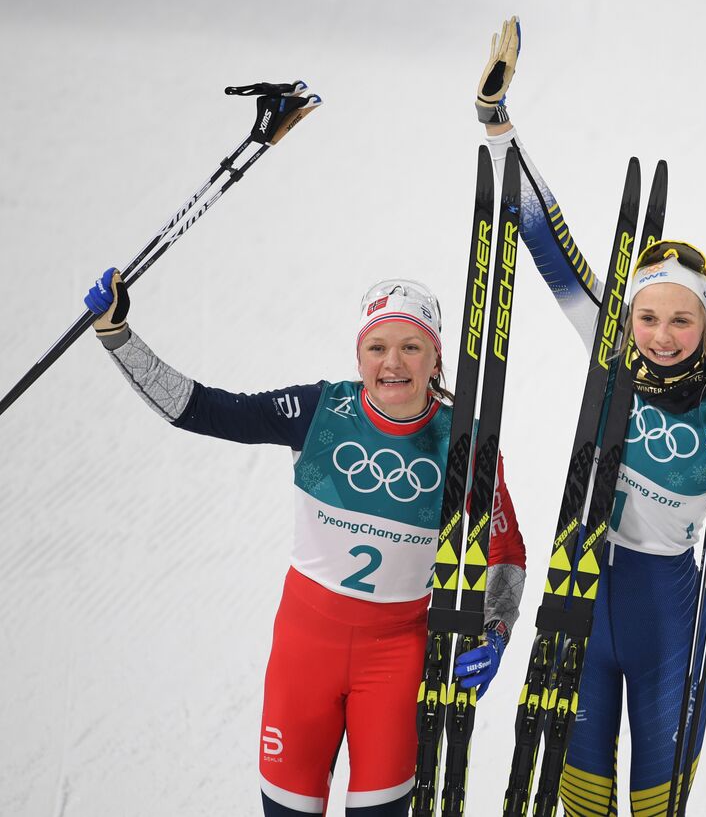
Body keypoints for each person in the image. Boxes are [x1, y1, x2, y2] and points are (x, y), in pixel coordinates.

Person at [82, 272, 528, 817]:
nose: (394, 363)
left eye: (412, 347)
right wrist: (116, 335)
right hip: (305, 650)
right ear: (358, 356)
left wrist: (497, 629)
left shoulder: (468, 442)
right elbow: (201, 409)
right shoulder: (320, 412)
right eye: (378, 347)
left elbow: (507, 552)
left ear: (436, 360)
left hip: (398, 658)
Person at [474, 17, 706, 815]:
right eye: (648, 317)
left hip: (670, 613)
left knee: (653, 805)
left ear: (704, 323)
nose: (663, 336)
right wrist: (498, 126)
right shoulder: (610, 351)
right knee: (579, 799)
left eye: (682, 321)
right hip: (583, 594)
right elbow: (546, 240)